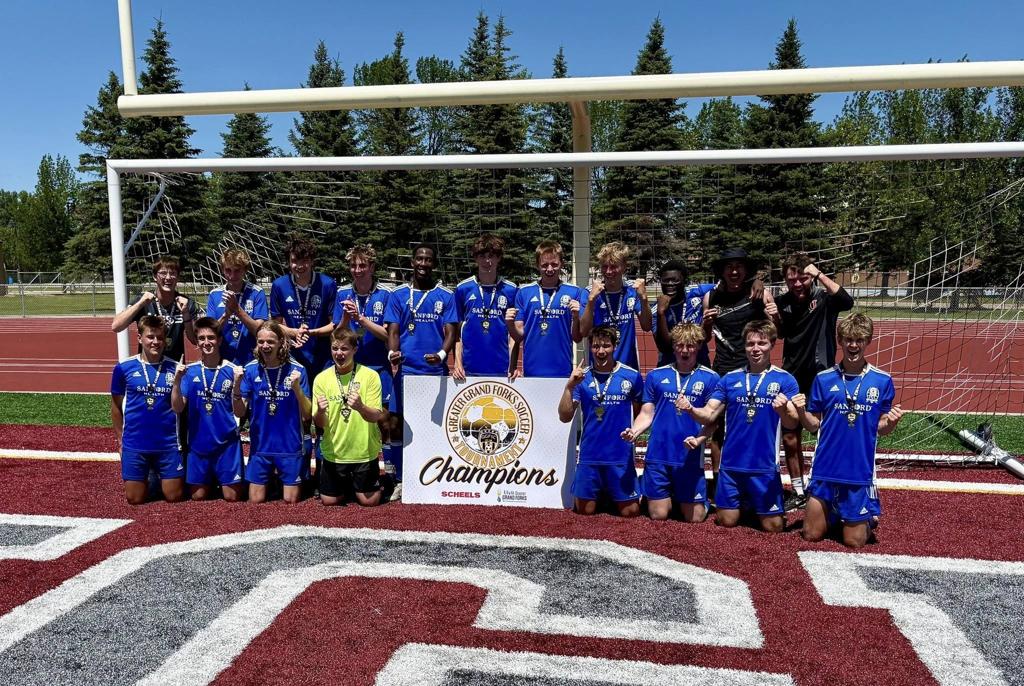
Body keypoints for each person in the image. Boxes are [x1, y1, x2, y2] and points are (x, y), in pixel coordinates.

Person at [793, 313, 903, 548]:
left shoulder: (882, 380)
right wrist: (801, 411)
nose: (853, 345)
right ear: (840, 341)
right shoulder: (823, 379)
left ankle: (867, 519)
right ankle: (835, 513)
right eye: (848, 340)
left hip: (858, 471)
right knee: (811, 534)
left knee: (854, 542)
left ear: (868, 341)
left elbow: (881, 428)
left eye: (859, 340)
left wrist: (891, 422)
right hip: (825, 468)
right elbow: (813, 425)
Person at [681, 320, 798, 533]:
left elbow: (792, 422)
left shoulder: (785, 380)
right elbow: (709, 414)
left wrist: (783, 411)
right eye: (750, 344)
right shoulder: (730, 379)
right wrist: (691, 409)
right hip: (731, 466)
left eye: (761, 343)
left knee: (774, 528)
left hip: (764, 467)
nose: (755, 349)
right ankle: (746, 501)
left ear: (772, 344)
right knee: (726, 521)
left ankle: (754, 502)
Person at [775, 252, 855, 511]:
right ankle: (798, 491)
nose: (797, 284)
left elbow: (847, 301)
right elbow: (780, 333)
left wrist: (819, 274)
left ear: (810, 277)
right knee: (790, 437)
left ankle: (827, 487)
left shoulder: (824, 298)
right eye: (792, 279)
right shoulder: (782, 302)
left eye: (803, 278)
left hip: (823, 378)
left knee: (827, 435)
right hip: (792, 377)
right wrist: (772, 314)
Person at [622, 323, 719, 522]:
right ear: (673, 346)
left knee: (695, 518)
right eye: (680, 345)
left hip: (689, 456)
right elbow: (647, 413)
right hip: (659, 454)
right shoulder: (656, 375)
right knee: (658, 515)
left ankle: (692, 500)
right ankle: (655, 493)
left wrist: (698, 434)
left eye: (690, 345)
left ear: (699, 346)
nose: (685, 351)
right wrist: (634, 431)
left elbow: (712, 420)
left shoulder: (711, 378)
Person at [385, 243, 458, 498]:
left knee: (434, 426)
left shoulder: (445, 295)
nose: (423, 263)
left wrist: (442, 355)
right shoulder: (398, 295)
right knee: (396, 423)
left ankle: (435, 477)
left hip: (434, 373)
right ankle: (400, 479)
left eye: (428, 259)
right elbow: (393, 330)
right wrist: (392, 353)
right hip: (406, 371)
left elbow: (451, 332)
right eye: (419, 259)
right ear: (412, 262)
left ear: (433, 264)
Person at [702, 247, 776, 499]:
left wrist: (772, 311)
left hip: (753, 370)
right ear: (722, 271)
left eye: (739, 267)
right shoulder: (711, 297)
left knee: (753, 425)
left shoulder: (758, 293)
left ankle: (756, 480)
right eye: (729, 267)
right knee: (718, 428)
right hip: (723, 368)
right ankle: (719, 482)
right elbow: (705, 337)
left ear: (746, 270)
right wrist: (706, 323)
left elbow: (776, 330)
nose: (734, 271)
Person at [558, 325, 643, 517]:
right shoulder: (582, 378)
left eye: (606, 346)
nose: (601, 351)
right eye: (596, 346)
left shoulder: (631, 376)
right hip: (590, 456)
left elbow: (640, 412)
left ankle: (619, 492)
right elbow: (564, 416)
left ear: (615, 346)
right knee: (584, 511)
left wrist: (633, 432)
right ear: (590, 347)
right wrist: (569, 387)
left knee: (630, 512)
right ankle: (604, 493)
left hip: (619, 456)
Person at [332, 244, 397, 488]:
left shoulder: (386, 294)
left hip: (379, 368)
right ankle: (349, 474)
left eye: (362, 265)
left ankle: (390, 474)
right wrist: (346, 318)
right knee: (349, 418)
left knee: (384, 421)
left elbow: (388, 335)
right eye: (353, 265)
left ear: (372, 267)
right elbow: (337, 335)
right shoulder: (342, 293)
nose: (357, 270)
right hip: (350, 369)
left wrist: (360, 319)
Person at [234, 321, 312, 504]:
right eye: (260, 341)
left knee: (291, 500)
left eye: (270, 341)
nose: (265, 346)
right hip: (261, 447)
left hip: (289, 446)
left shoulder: (298, 370)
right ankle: (274, 482)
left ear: (281, 342)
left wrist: (297, 389)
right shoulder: (250, 370)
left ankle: (279, 482)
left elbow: (307, 414)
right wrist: (236, 386)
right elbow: (239, 412)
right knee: (255, 500)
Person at [110, 315, 184, 504]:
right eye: (150, 337)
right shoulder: (123, 368)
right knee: (134, 499)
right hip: (135, 443)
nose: (155, 342)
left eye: (160, 337)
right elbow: (116, 406)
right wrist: (120, 441)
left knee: (174, 496)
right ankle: (150, 473)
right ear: (140, 338)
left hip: (167, 444)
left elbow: (180, 408)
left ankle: (155, 474)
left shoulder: (176, 369)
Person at [312, 327, 388, 506]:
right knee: (329, 501)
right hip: (335, 453)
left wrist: (361, 407)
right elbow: (320, 423)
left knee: (370, 502)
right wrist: (320, 412)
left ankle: (366, 483)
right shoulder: (321, 379)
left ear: (355, 349)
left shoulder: (370, 376)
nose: (339, 353)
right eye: (335, 348)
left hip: (364, 453)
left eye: (344, 348)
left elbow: (375, 416)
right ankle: (347, 483)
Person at [171, 317, 244, 501]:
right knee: (198, 496)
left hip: (226, 444)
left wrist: (237, 386)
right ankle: (212, 478)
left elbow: (240, 412)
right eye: (201, 338)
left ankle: (221, 477)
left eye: (211, 337)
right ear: (197, 342)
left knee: (232, 497)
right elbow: (178, 407)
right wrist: (177, 381)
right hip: (199, 445)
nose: (206, 342)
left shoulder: (232, 371)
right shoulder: (189, 372)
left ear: (219, 340)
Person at [508, 240, 584, 377]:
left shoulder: (575, 292)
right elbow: (518, 335)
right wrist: (509, 324)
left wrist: (576, 317)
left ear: (562, 264)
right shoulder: (524, 292)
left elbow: (577, 338)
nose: (549, 269)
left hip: (562, 371)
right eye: (544, 265)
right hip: (532, 371)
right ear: (537, 265)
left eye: (554, 264)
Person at [270, 235, 337, 380]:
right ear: (289, 262)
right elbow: (275, 325)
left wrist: (311, 333)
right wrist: (294, 332)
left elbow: (334, 324)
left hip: (322, 355)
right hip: (292, 354)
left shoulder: (327, 284)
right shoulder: (279, 285)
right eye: (295, 261)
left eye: (304, 261)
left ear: (312, 261)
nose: (299, 266)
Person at [453, 234, 520, 379]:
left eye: (491, 256)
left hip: (502, 369)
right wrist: (458, 363)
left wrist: (513, 364)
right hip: (468, 370)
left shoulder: (511, 290)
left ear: (499, 258)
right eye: (482, 256)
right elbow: (456, 332)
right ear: (475, 258)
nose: (487, 261)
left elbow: (514, 334)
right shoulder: (463, 289)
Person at [111, 255, 199, 363]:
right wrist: (140, 304)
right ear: (154, 277)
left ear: (177, 277)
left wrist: (185, 313)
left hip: (174, 366)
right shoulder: (144, 301)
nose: (168, 277)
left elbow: (194, 340)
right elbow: (116, 326)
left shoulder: (186, 303)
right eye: (163, 273)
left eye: (172, 273)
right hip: (147, 366)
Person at [579, 241, 652, 369]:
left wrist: (644, 298)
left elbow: (646, 326)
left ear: (624, 266)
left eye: (613, 267)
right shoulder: (590, 293)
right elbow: (584, 332)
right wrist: (591, 301)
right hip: (599, 368)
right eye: (604, 266)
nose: (608, 271)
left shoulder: (632, 290)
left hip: (627, 367)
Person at [206, 249, 268, 366]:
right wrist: (226, 315)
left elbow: (259, 330)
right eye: (228, 270)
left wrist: (237, 309)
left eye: (237, 270)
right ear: (222, 270)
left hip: (251, 360)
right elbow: (210, 332)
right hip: (222, 360)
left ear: (245, 270)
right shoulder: (214, 294)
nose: (232, 275)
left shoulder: (256, 293)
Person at [652, 260, 715, 368]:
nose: (670, 284)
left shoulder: (697, 293)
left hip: (700, 365)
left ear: (684, 281)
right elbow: (664, 347)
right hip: (669, 367)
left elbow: (724, 285)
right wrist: (661, 313)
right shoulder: (656, 309)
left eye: (675, 280)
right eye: (666, 280)